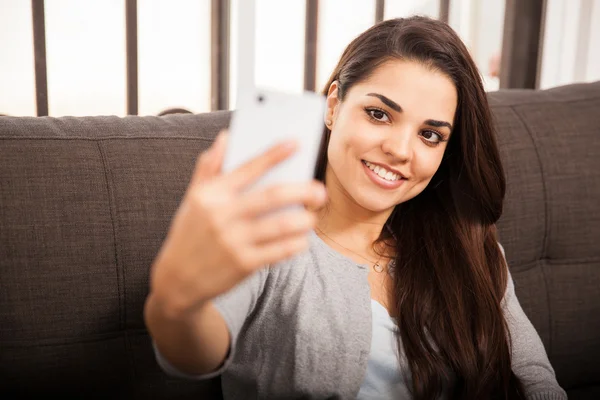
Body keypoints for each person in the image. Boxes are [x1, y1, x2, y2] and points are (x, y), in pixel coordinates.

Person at [144, 16, 567, 399]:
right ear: (333, 106)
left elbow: (533, 377)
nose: (400, 150)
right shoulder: (269, 233)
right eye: (379, 114)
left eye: (430, 135)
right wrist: (177, 300)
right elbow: (193, 354)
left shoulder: (468, 244)